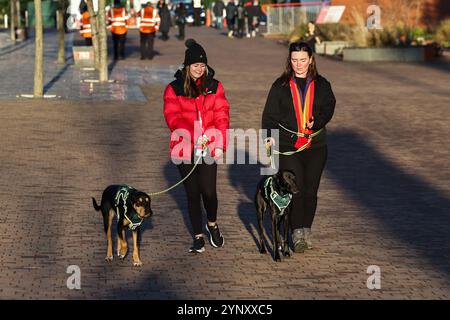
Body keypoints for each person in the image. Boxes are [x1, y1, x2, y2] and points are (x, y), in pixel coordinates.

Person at [262, 41, 336, 253]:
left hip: (316, 146)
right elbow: (269, 116)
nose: (299, 64)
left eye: (303, 60)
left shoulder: (322, 84)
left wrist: (318, 122)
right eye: (294, 60)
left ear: (311, 59)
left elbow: (329, 107)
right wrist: (268, 138)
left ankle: (306, 229)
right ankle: (296, 233)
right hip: (288, 146)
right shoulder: (280, 85)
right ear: (289, 60)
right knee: (297, 189)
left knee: (311, 191)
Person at [163, 39, 230, 253]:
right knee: (192, 193)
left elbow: (222, 115)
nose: (199, 69)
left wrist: (219, 143)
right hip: (184, 148)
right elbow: (173, 118)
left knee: (208, 191)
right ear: (187, 66)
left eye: (202, 65)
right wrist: (194, 136)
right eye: (195, 66)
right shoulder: (174, 89)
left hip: (209, 147)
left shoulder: (214, 86)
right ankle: (198, 236)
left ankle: (212, 224)